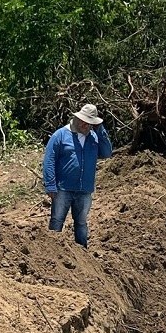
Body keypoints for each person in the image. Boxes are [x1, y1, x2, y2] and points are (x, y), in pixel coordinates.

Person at [42, 103, 112, 248]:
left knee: (81, 223)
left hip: (84, 190)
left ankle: (82, 253)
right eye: (84, 122)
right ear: (77, 119)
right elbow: (49, 160)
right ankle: (52, 251)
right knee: (57, 220)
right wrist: (50, 184)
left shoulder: (94, 137)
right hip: (63, 188)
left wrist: (100, 130)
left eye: (90, 124)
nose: (85, 126)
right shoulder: (60, 135)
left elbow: (106, 152)